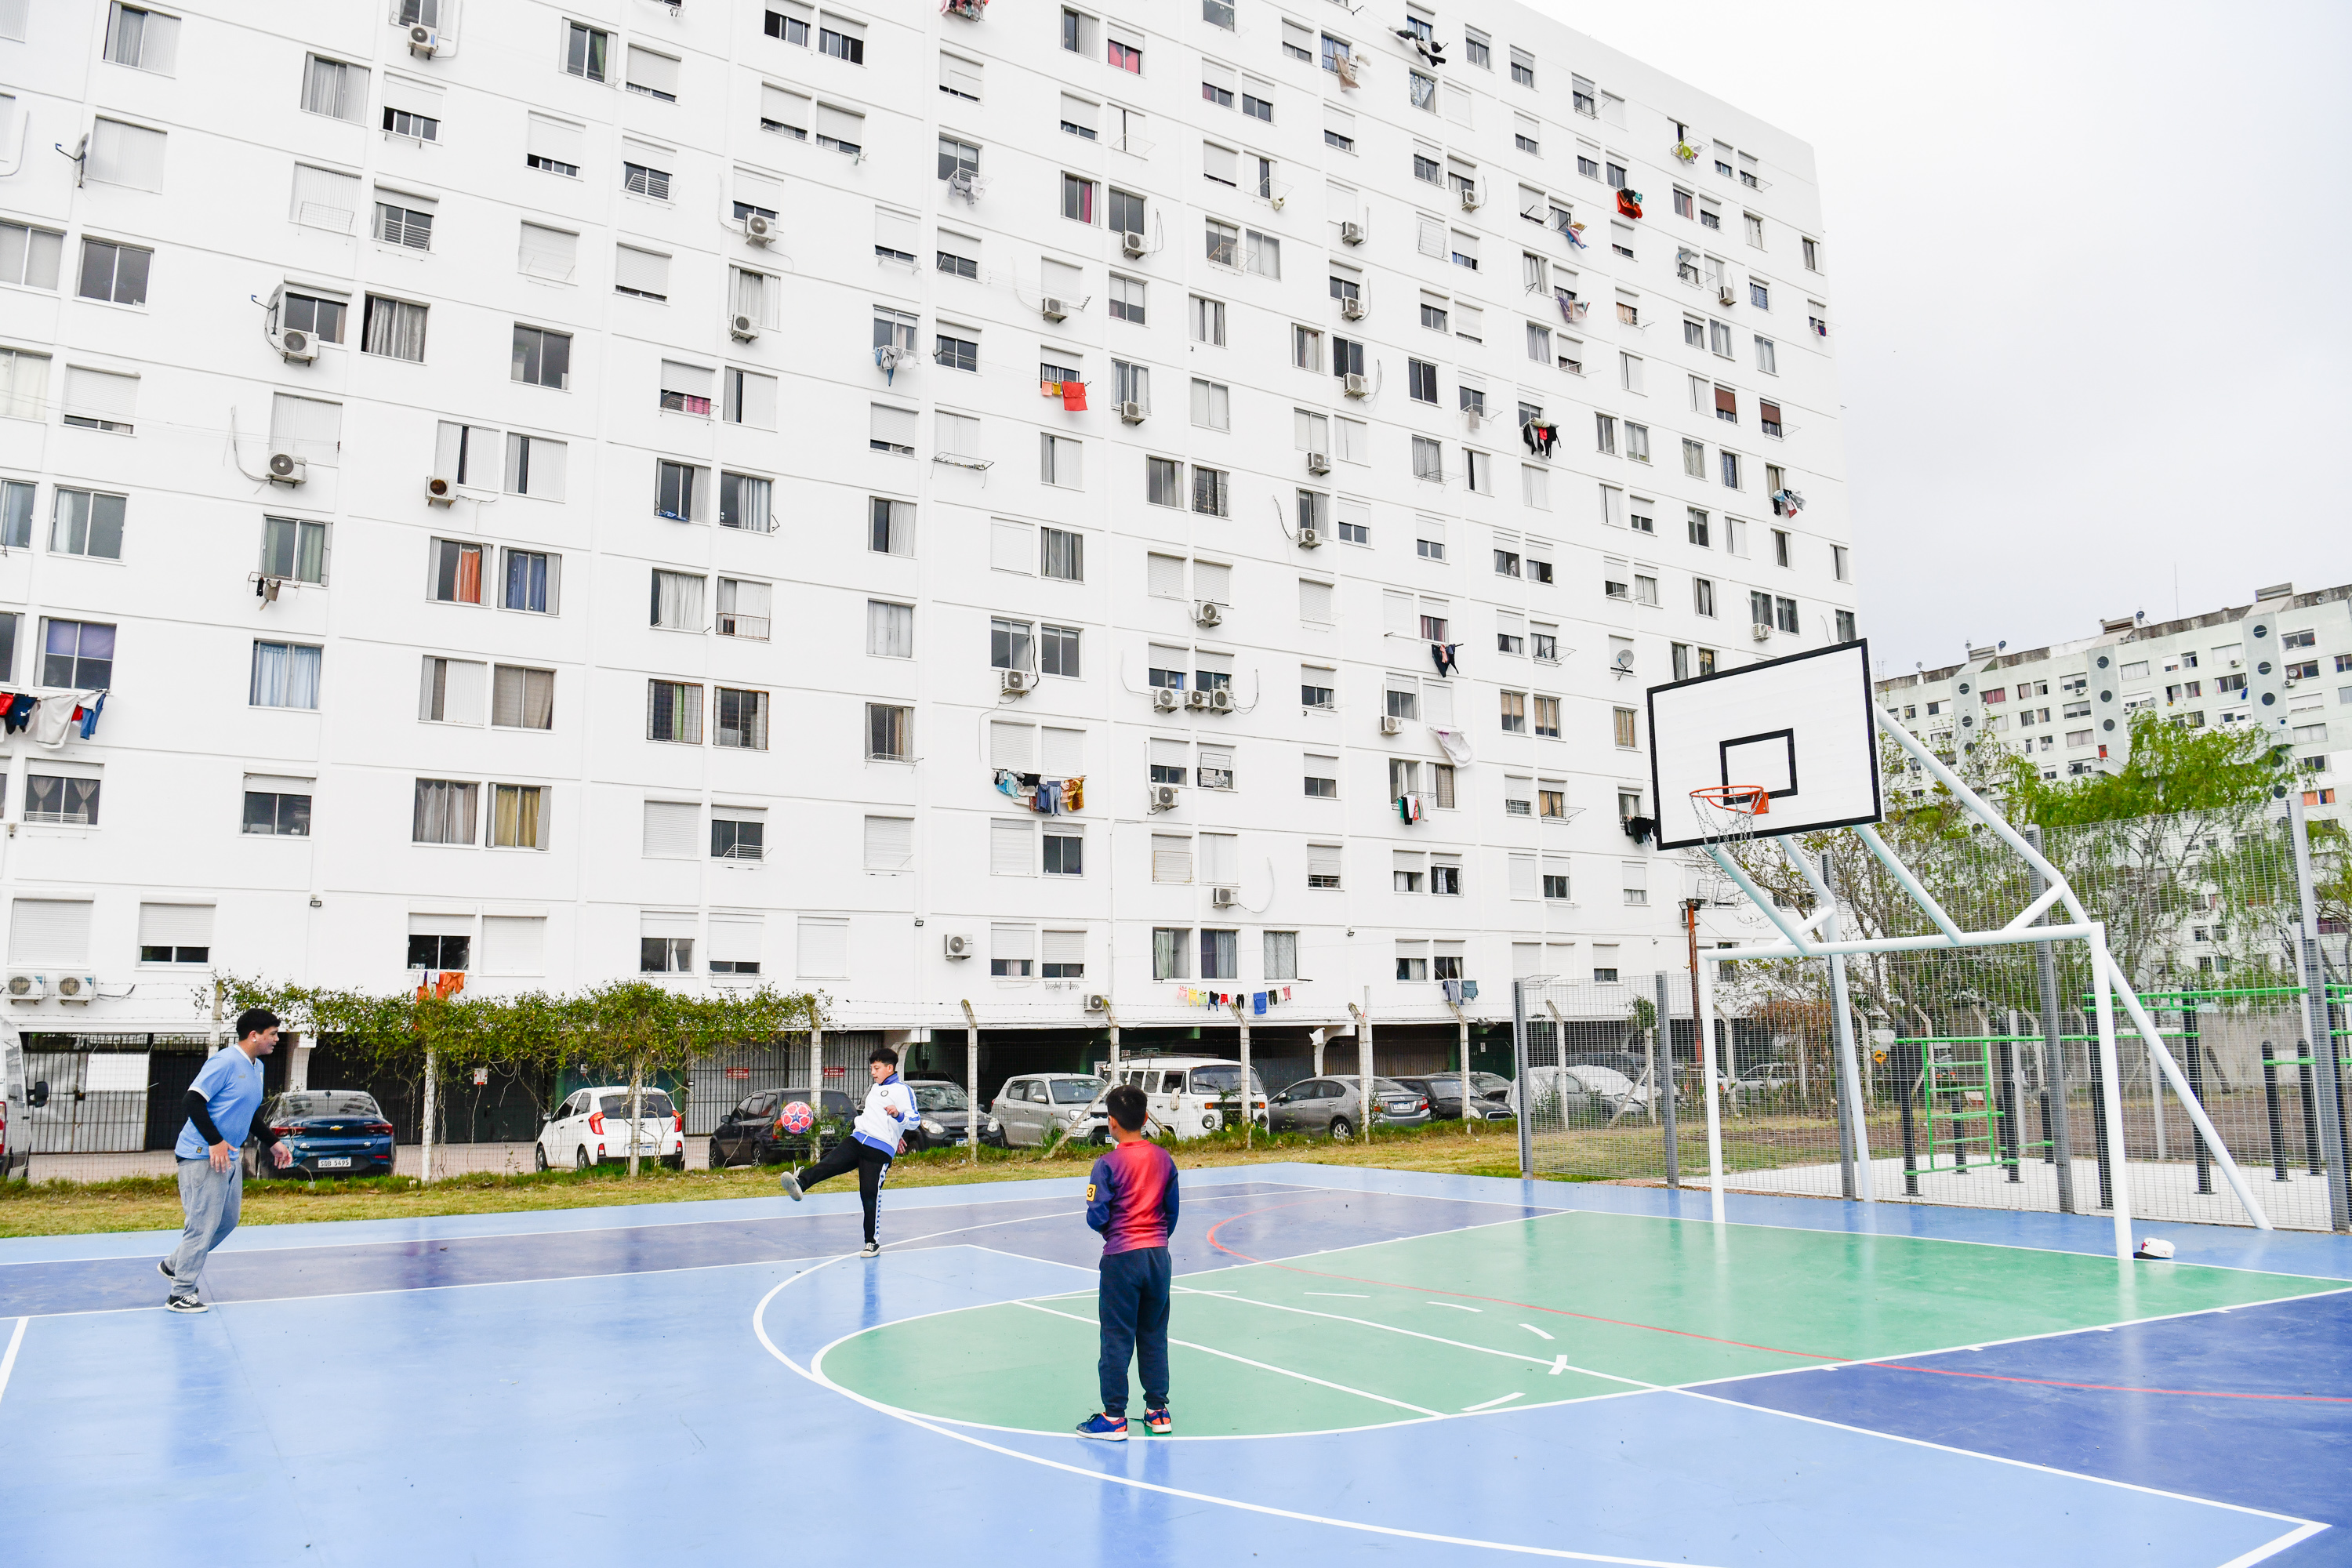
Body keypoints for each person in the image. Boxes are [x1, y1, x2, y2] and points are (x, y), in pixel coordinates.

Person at [161, 1008, 291, 1312]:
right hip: (201, 1154)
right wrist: (214, 1142)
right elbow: (192, 1100)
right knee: (202, 1223)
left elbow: (246, 1112)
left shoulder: (256, 1067)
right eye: (272, 1034)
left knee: (227, 1221)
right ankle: (180, 1292)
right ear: (254, 1035)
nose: (276, 1039)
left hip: (227, 1155)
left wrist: (272, 1142)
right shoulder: (224, 1061)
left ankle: (174, 1265)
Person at [1076, 1083, 1179, 1440]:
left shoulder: (1106, 1164)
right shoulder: (1163, 1159)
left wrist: (1115, 1230)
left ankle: (1114, 1417)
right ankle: (1158, 1411)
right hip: (1158, 1257)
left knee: (1117, 1336)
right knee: (1154, 1334)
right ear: (1147, 1118)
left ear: (1112, 1122)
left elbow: (1096, 1216)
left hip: (1122, 1258)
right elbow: (1173, 1211)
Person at [779, 1044, 916, 1258]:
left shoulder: (903, 1091)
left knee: (869, 1194)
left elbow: (914, 1120)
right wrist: (896, 1130)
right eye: (872, 1068)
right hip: (858, 1138)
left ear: (890, 1068)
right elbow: (876, 1117)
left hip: (878, 1150)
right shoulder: (874, 1089)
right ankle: (801, 1184)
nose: (873, 1072)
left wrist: (898, 1119)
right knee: (829, 1163)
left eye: (877, 1068)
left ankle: (872, 1243)